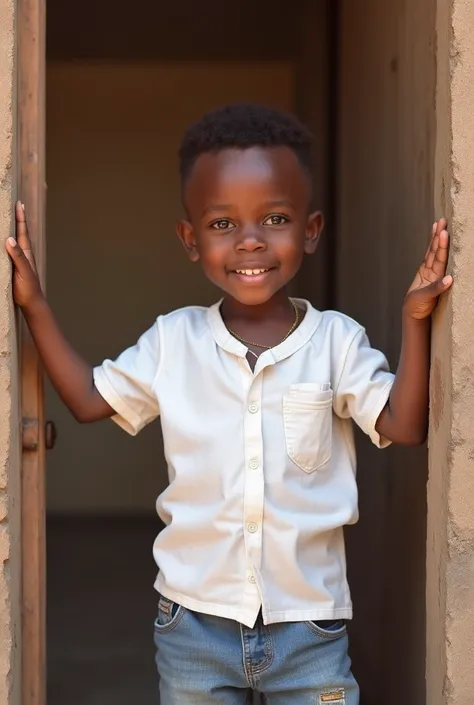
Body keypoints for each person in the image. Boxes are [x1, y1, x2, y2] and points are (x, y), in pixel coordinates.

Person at [6, 104, 452, 704]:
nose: (250, 241)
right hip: (193, 624)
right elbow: (89, 399)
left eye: (274, 218)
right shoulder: (173, 341)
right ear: (190, 239)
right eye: (222, 224)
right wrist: (34, 306)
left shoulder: (336, 342)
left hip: (310, 629)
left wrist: (414, 320)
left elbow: (403, 424)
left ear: (311, 230)